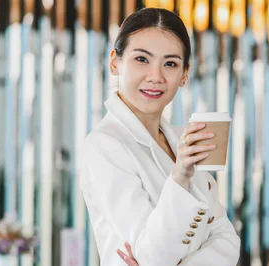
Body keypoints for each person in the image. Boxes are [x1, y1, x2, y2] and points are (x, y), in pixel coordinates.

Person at [79, 8, 240, 266]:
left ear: (184, 74)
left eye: (170, 63)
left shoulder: (182, 140)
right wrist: (179, 178)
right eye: (142, 59)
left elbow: (228, 241)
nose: (156, 77)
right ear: (114, 62)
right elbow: (153, 257)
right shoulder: (105, 145)